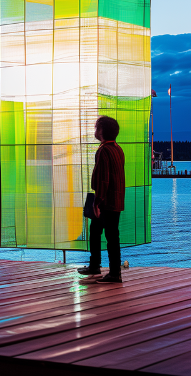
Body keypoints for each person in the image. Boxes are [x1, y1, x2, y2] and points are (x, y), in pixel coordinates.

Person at [78, 116, 126, 283]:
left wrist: (97, 201)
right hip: (116, 199)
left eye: (96, 127)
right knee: (102, 231)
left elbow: (103, 179)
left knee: (109, 235)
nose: (95, 130)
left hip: (106, 201)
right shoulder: (117, 149)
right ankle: (97, 267)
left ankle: (112, 273)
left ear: (102, 131)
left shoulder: (104, 150)